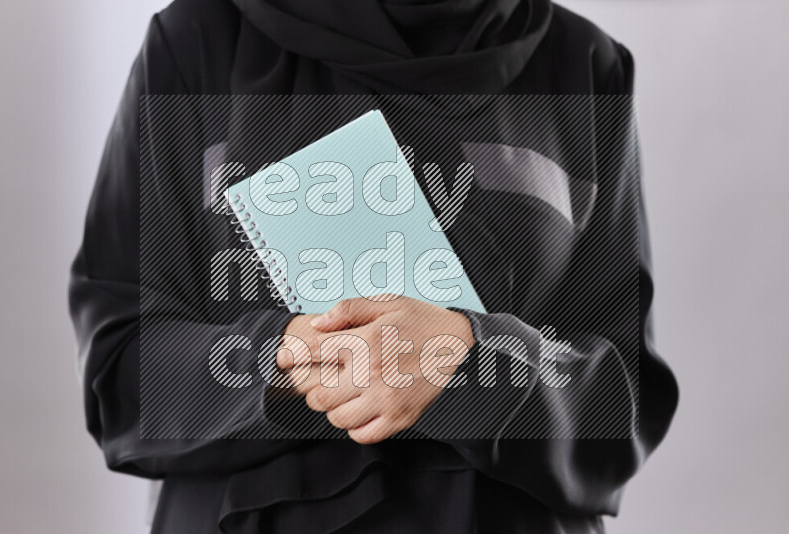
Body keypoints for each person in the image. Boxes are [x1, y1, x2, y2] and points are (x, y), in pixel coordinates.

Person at [69, 0, 678, 532]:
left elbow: (622, 410)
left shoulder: (583, 66)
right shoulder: (198, 41)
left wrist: (471, 360)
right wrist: (291, 361)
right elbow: (121, 376)